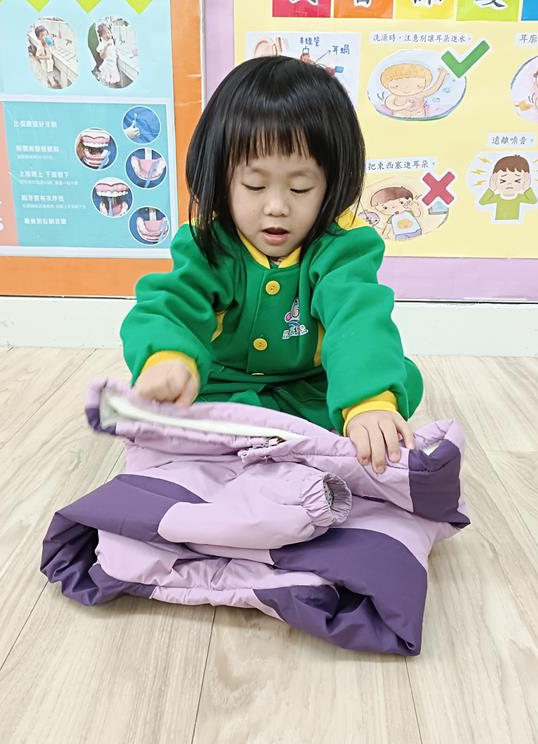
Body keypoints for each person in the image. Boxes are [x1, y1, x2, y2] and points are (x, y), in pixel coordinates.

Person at [121, 56, 422, 473]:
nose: (277, 206)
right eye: (254, 185)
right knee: (168, 394)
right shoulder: (209, 240)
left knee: (398, 380)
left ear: (332, 184)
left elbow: (358, 319)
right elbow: (169, 306)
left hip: (309, 388)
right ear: (221, 178)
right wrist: (169, 358)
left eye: (300, 188)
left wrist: (368, 402)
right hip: (222, 384)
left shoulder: (342, 244)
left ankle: (302, 423)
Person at [479, 155, 538, 221]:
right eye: (503, 181)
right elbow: (482, 202)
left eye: (517, 180)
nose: (509, 184)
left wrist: (526, 187)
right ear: (495, 179)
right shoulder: (497, 197)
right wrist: (492, 187)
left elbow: (533, 201)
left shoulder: (520, 197)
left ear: (524, 180)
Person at [381, 62, 448, 119]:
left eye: (418, 85)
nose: (407, 89)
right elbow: (390, 105)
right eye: (396, 86)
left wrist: (442, 75)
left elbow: (434, 89)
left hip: (419, 115)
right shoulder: (394, 96)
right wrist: (404, 106)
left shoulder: (420, 94)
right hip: (400, 115)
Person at [95, 22, 121, 87]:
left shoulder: (111, 41)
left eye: (108, 32)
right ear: (101, 36)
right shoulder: (102, 45)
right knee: (109, 82)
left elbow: (113, 49)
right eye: (104, 33)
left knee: (113, 81)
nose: (107, 34)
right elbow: (102, 56)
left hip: (113, 65)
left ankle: (112, 87)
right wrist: (106, 46)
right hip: (108, 67)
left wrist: (116, 54)